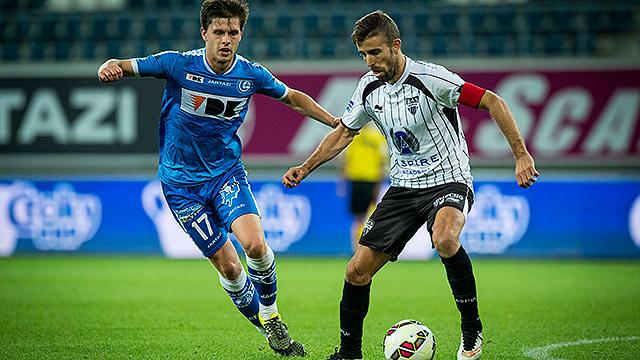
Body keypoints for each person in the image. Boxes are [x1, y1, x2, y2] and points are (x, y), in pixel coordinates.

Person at [282, 10, 539, 360]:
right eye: (363, 55)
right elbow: (345, 130)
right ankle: (349, 353)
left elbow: (492, 100)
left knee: (445, 239)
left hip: (448, 178)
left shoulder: (431, 78)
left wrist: (521, 155)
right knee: (357, 270)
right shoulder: (368, 87)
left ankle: (471, 327)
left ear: (395, 45)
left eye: (375, 52)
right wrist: (306, 167)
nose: (370, 61)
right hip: (403, 186)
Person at [98, 0, 340, 356]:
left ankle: (272, 315)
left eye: (233, 32)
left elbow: (293, 98)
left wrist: (333, 121)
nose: (226, 40)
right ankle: (268, 330)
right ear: (204, 33)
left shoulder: (249, 74)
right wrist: (110, 65)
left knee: (255, 245)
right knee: (228, 266)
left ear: (241, 34)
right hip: (181, 186)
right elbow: (126, 65)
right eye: (219, 32)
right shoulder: (178, 64)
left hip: (226, 174)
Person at [341, 122, 387, 251]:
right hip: (366, 179)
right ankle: (361, 247)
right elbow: (382, 162)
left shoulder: (354, 136)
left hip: (361, 179)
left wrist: (343, 180)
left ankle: (359, 247)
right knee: (365, 215)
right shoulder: (376, 137)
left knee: (361, 216)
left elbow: (345, 159)